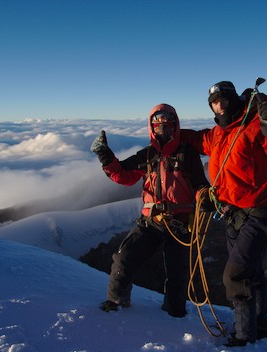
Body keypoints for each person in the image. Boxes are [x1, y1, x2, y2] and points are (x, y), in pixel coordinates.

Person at [180, 81, 267, 346]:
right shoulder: (216, 135)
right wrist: (168, 130)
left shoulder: (256, 126)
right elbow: (193, 139)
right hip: (232, 213)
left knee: (235, 274)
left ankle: (244, 335)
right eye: (214, 102)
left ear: (234, 100)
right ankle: (260, 326)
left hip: (260, 211)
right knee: (251, 271)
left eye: (223, 100)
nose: (219, 105)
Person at [90, 103, 210, 318]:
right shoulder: (148, 155)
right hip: (152, 221)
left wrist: (207, 197)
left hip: (180, 223)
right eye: (158, 125)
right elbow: (123, 175)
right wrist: (105, 155)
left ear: (175, 126)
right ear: (152, 128)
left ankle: (174, 314)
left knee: (177, 274)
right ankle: (115, 303)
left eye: (167, 124)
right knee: (124, 258)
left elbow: (200, 185)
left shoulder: (187, 154)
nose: (162, 129)